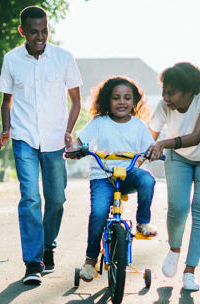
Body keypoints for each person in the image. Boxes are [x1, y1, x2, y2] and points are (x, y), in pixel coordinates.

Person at [0, 5, 82, 285]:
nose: (40, 36)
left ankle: (48, 246)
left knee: (56, 199)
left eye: (44, 30)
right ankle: (33, 262)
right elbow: (6, 101)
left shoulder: (63, 58)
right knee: (30, 197)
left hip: (56, 139)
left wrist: (69, 131)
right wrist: (7, 130)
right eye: (34, 32)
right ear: (23, 31)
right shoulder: (11, 60)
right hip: (23, 139)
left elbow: (76, 100)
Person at [146, 62, 200, 291]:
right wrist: (134, 159)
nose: (165, 97)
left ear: (189, 91)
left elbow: (197, 136)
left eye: (171, 92)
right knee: (178, 207)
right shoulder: (164, 106)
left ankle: (190, 271)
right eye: (164, 91)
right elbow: (147, 137)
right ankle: (174, 249)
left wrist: (163, 143)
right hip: (179, 158)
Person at [67, 76, 157, 282]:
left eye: (127, 98)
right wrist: (74, 149)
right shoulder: (99, 123)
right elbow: (79, 142)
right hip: (102, 176)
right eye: (116, 98)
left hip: (127, 174)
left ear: (134, 102)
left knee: (148, 180)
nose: (122, 102)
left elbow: (150, 147)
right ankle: (90, 260)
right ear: (108, 100)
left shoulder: (139, 126)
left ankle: (143, 222)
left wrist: (153, 152)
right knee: (98, 214)